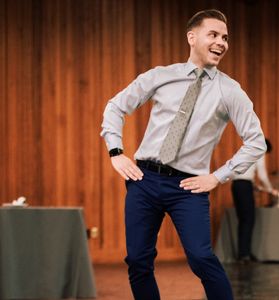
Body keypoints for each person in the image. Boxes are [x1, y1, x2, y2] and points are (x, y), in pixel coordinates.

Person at [100, 9, 266, 300]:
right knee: (138, 260)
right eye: (213, 34)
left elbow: (256, 141)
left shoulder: (230, 91)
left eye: (225, 38)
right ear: (192, 37)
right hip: (144, 179)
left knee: (202, 259)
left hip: (188, 187)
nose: (221, 42)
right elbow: (115, 106)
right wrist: (116, 152)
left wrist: (217, 176)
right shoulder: (161, 76)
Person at [231, 138, 276, 263]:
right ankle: (244, 254)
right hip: (245, 186)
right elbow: (262, 175)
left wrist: (256, 186)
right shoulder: (259, 150)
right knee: (248, 219)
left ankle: (243, 253)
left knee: (242, 219)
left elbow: (238, 173)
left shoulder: (244, 150)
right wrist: (271, 189)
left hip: (235, 185)